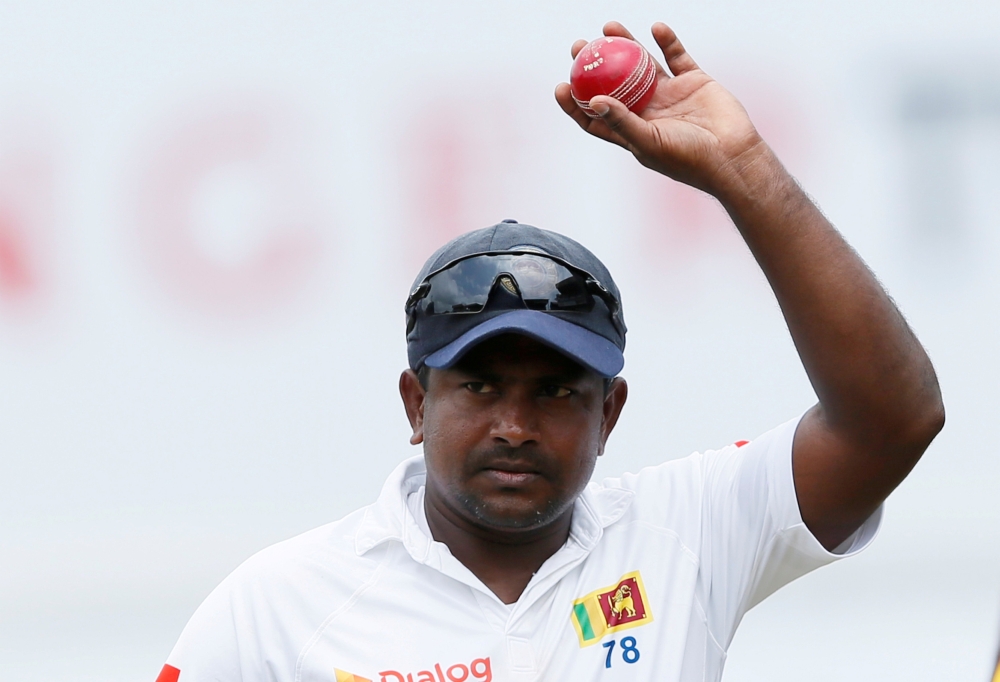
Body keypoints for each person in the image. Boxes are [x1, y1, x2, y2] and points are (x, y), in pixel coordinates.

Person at [155, 21, 944, 682]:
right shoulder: (279, 605)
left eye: (558, 392)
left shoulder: (684, 532)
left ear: (611, 412)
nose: (515, 424)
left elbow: (892, 420)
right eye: (481, 386)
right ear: (416, 404)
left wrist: (743, 171)